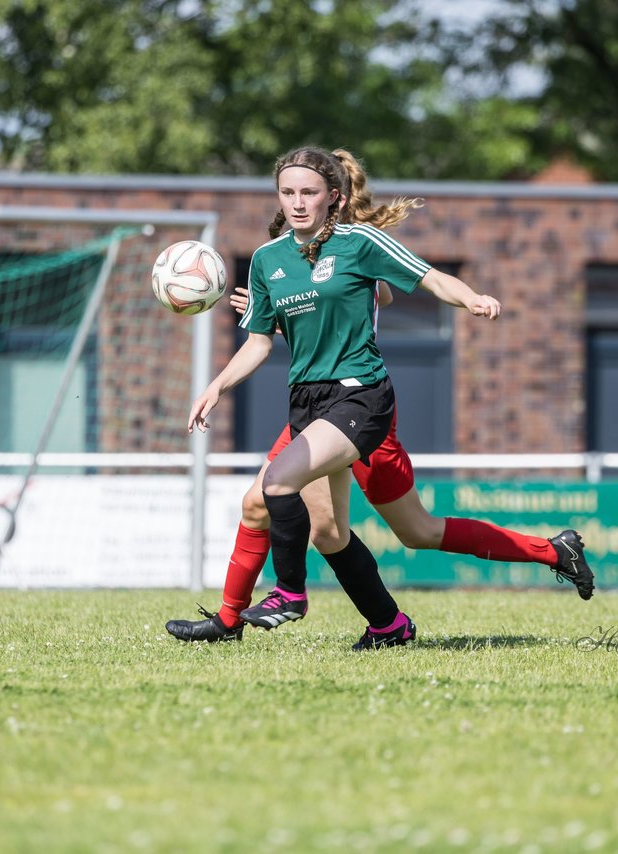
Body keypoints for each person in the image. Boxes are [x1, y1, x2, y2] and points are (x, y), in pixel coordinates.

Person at [171, 147, 594, 649]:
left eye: (309, 192)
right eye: (288, 193)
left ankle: (288, 593)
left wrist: (472, 298)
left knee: (291, 492)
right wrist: (216, 386)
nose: (298, 202)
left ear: (334, 197)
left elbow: (426, 278)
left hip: (360, 400)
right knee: (311, 524)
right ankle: (359, 624)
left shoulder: (360, 242)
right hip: (309, 406)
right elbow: (261, 342)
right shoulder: (269, 259)